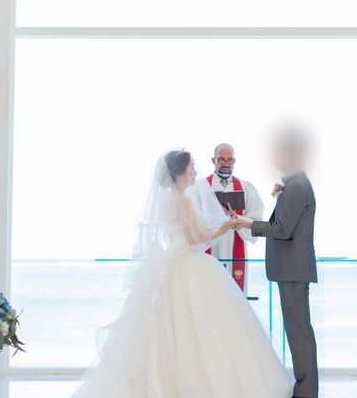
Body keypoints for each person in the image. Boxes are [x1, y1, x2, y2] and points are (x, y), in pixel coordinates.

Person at [72, 149, 291, 398]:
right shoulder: (182, 201)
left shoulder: (169, 200)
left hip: (174, 262)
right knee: (203, 324)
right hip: (189, 262)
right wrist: (224, 228)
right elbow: (194, 239)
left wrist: (219, 227)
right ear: (180, 173)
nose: (195, 172)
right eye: (191, 168)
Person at [235, 127, 318, 398]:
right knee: (298, 334)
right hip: (290, 270)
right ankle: (305, 391)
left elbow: (282, 229)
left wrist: (249, 224)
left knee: (299, 335)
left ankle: (306, 393)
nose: (274, 156)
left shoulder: (296, 186)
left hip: (293, 271)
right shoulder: (290, 184)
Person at [202, 143, 264, 291]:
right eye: (221, 159)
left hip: (235, 242)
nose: (226, 164)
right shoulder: (201, 187)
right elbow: (192, 218)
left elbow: (256, 221)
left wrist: (236, 218)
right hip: (211, 244)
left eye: (230, 160)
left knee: (234, 293)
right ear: (213, 160)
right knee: (209, 290)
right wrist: (214, 215)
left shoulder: (246, 188)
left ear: (234, 161)